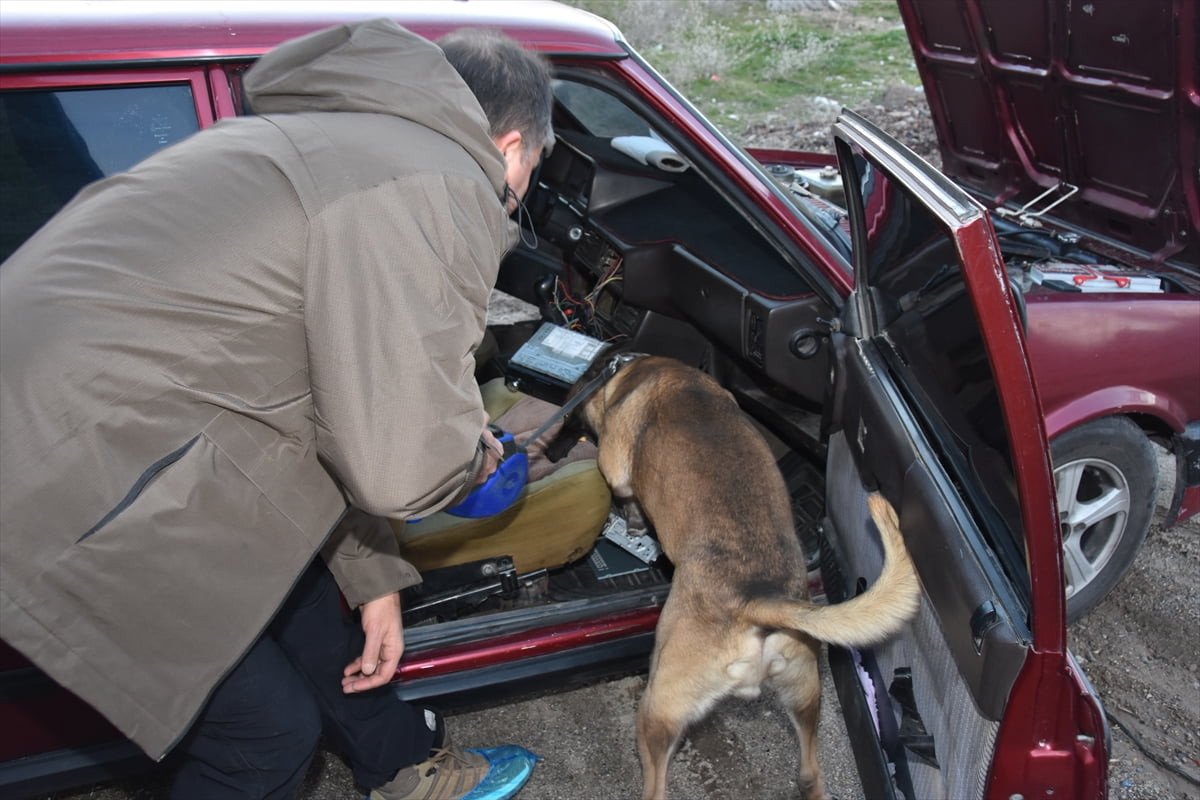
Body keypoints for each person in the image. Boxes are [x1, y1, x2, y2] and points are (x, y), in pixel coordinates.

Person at [0, 18, 553, 800]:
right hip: (70, 480)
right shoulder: (437, 180)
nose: (520, 194)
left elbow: (325, 407)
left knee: (291, 584)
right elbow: (399, 464)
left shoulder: (326, 139)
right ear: (510, 144)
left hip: (89, 430)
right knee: (263, 740)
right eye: (533, 168)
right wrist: (480, 457)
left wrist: (374, 583)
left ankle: (400, 767)